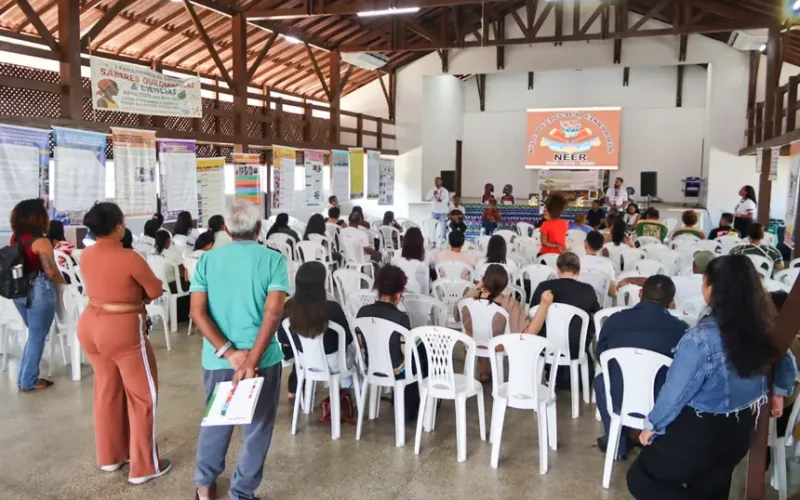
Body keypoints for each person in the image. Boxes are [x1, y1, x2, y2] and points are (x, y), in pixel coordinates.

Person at [627, 255, 797, 500]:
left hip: (700, 432)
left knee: (641, 479)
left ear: (712, 288)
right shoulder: (764, 325)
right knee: (712, 485)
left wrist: (652, 426)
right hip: (741, 430)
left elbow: (676, 392)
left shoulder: (700, 339)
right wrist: (779, 392)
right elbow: (786, 358)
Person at [190, 201, 289, 500]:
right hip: (262, 360)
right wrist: (251, 360)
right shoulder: (273, 260)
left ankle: (204, 487)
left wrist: (229, 353)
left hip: (218, 360)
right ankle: (241, 494)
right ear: (259, 228)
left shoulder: (207, 260)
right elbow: (273, 315)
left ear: (225, 229)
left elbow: (197, 312)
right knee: (257, 429)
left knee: (216, 421)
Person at [77, 202, 170, 483]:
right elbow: (154, 290)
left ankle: (111, 456)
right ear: (118, 227)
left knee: (106, 390)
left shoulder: (85, 254)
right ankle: (144, 467)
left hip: (90, 325)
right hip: (122, 329)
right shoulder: (130, 257)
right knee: (142, 396)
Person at [595, 275, 689, 461]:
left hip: (618, 395)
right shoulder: (681, 330)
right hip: (658, 401)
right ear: (671, 303)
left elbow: (600, 357)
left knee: (600, 382)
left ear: (640, 293)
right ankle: (657, 441)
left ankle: (617, 442)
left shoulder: (615, 320)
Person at [355, 265, 428, 421]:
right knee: (423, 355)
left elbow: (359, 344)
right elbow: (406, 351)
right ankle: (417, 407)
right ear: (399, 293)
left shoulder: (362, 312)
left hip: (371, 366)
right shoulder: (400, 318)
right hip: (396, 371)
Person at [8, 199, 65, 391]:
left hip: (19, 291)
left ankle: (23, 377)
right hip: (40, 290)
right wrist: (65, 283)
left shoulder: (15, 238)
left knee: (34, 335)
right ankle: (28, 381)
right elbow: (51, 271)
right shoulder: (41, 241)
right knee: (37, 336)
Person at [278, 261, 356, 397]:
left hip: (305, 361)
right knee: (355, 351)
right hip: (335, 364)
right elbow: (347, 338)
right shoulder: (333, 308)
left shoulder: (289, 308)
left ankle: (297, 391)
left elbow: (283, 339)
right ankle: (347, 392)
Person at [454, 264, 533, 381]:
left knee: (481, 331)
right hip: (498, 345)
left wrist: (478, 286)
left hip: (473, 340)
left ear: (483, 280)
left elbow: (456, 315)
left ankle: (484, 372)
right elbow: (518, 331)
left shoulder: (470, 299)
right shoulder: (510, 303)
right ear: (505, 285)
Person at [530, 252, 600, 370]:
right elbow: (597, 315)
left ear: (558, 270)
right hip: (575, 349)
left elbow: (532, 315)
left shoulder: (543, 287)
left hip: (546, 347)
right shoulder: (587, 290)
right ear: (578, 271)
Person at [392, 227, 435, 293]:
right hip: (422, 295)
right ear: (421, 241)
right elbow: (434, 276)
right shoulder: (428, 255)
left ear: (405, 240)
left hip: (401, 293)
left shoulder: (397, 254)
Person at [581, 231, 618, 297]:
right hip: (598, 302)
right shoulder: (608, 264)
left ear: (586, 243)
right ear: (602, 246)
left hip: (576, 301)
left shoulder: (576, 262)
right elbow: (612, 291)